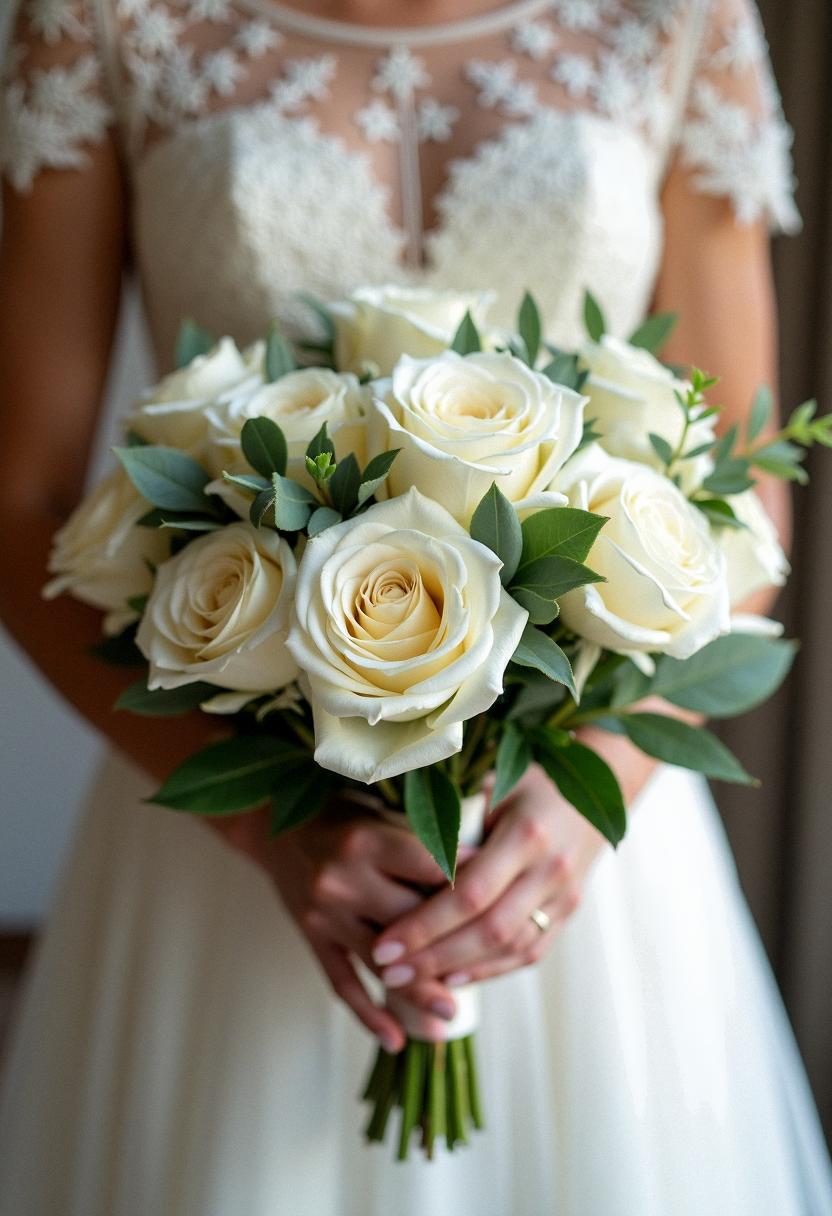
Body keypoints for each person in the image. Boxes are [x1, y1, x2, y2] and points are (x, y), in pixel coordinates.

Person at [0, 0, 830, 1212]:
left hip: (566, 840)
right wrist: (263, 829)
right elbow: (21, 502)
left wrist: (590, 786)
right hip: (232, 819)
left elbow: (748, 492)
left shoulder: (679, 20)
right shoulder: (99, 22)